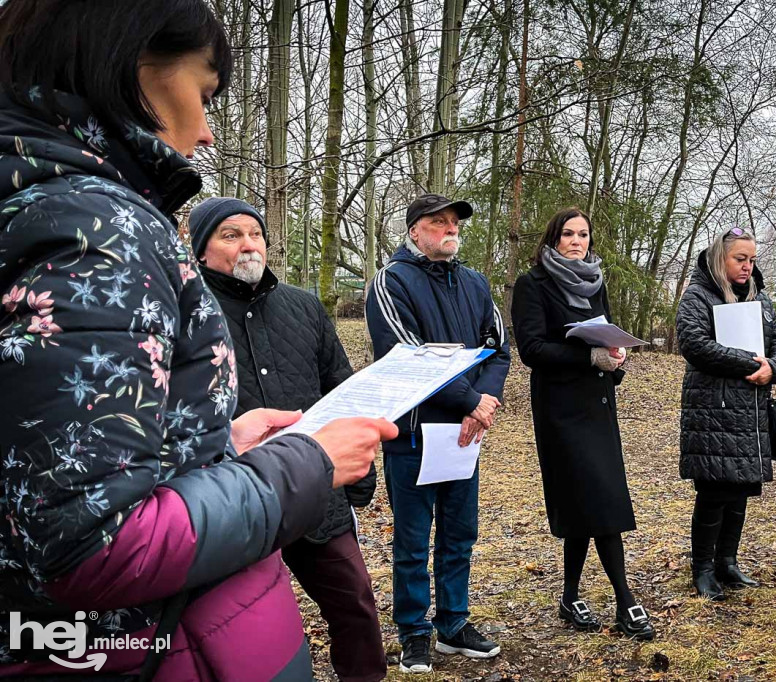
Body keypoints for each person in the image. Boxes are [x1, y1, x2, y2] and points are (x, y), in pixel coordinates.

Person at [0, 2, 397, 679]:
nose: (209, 132)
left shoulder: (45, 206)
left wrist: (218, 447)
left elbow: (69, 458)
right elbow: (92, 542)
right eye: (203, 92)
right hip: (133, 649)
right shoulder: (97, 233)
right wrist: (300, 466)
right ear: (129, 60)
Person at [188, 197, 386, 682]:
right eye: (230, 235)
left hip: (316, 486)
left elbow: (341, 385)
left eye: (254, 233)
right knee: (235, 622)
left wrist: (361, 468)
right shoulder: (185, 312)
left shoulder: (304, 306)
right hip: (232, 495)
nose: (247, 245)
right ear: (200, 250)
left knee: (355, 605)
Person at [365, 194, 511, 675]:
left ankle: (453, 623)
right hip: (411, 433)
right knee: (411, 539)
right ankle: (413, 631)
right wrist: (471, 400)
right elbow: (409, 356)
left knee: (459, 533)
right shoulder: (392, 281)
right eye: (437, 222)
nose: (449, 229)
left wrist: (483, 403)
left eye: (453, 222)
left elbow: (498, 349)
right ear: (414, 232)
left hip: (464, 436)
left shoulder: (474, 283)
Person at [511, 208, 655, 641]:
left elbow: (605, 332)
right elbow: (532, 348)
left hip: (597, 404)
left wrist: (615, 358)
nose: (577, 241)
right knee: (598, 501)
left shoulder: (596, 281)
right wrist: (586, 356)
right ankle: (626, 599)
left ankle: (569, 594)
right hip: (559, 410)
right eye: (568, 234)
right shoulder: (532, 284)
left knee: (588, 502)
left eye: (584, 234)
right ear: (553, 239)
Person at [675, 227, 776, 601]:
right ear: (719, 259)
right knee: (714, 489)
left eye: (752, 259)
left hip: (751, 411)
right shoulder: (697, 295)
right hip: (713, 410)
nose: (747, 266)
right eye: (739, 259)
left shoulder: (761, 299)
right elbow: (695, 345)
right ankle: (703, 569)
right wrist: (750, 362)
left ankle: (727, 561)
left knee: (740, 488)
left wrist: (773, 367)